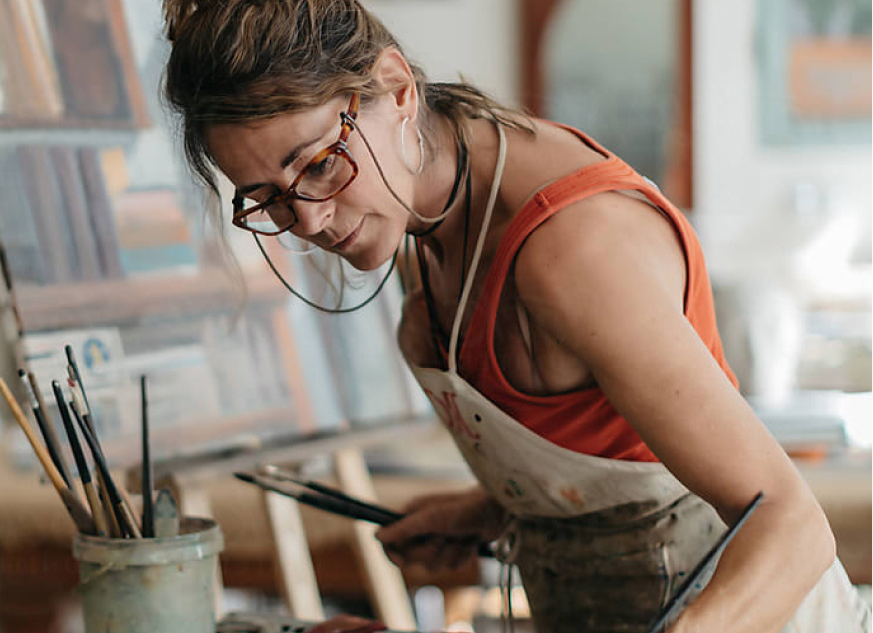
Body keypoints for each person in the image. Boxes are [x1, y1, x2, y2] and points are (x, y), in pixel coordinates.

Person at [161, 1, 869, 631]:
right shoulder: (420, 214)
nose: (309, 219)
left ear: (397, 89)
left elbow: (794, 527)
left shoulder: (570, 248)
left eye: (318, 163)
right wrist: (493, 507)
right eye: (267, 199)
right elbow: (619, 447)